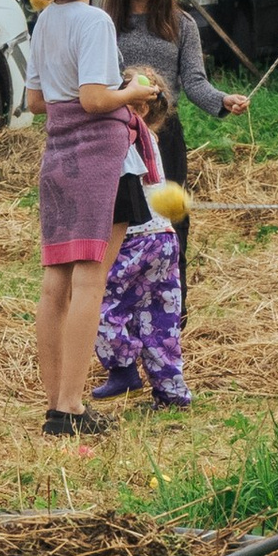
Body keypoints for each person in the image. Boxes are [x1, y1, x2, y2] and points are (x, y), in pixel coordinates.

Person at [26, 0, 148, 439]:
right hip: (101, 160)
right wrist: (136, 93)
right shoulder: (94, 21)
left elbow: (34, 100)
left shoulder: (46, 20)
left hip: (58, 159)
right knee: (89, 281)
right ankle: (73, 406)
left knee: (56, 281)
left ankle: (56, 402)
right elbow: (95, 99)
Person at [106, 0, 247, 294]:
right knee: (121, 222)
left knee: (171, 224)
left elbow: (195, 82)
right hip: (116, 135)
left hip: (163, 136)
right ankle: (118, 305)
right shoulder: (104, 23)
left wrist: (222, 100)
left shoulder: (181, 23)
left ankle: (172, 309)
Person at [90, 109, 191, 409]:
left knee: (98, 297)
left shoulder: (123, 132)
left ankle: (122, 369)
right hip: (165, 238)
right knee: (160, 319)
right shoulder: (151, 138)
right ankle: (172, 393)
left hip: (135, 237)